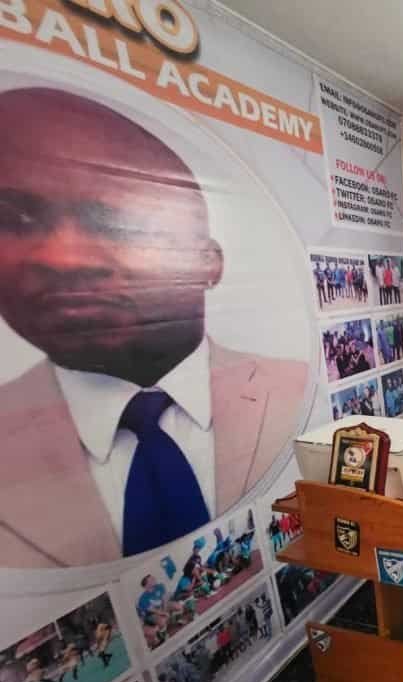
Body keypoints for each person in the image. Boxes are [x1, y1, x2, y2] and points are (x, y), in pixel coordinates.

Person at [0, 88, 309, 567]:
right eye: (10, 218)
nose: (61, 257)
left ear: (208, 263)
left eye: (117, 222)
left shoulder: (300, 389)